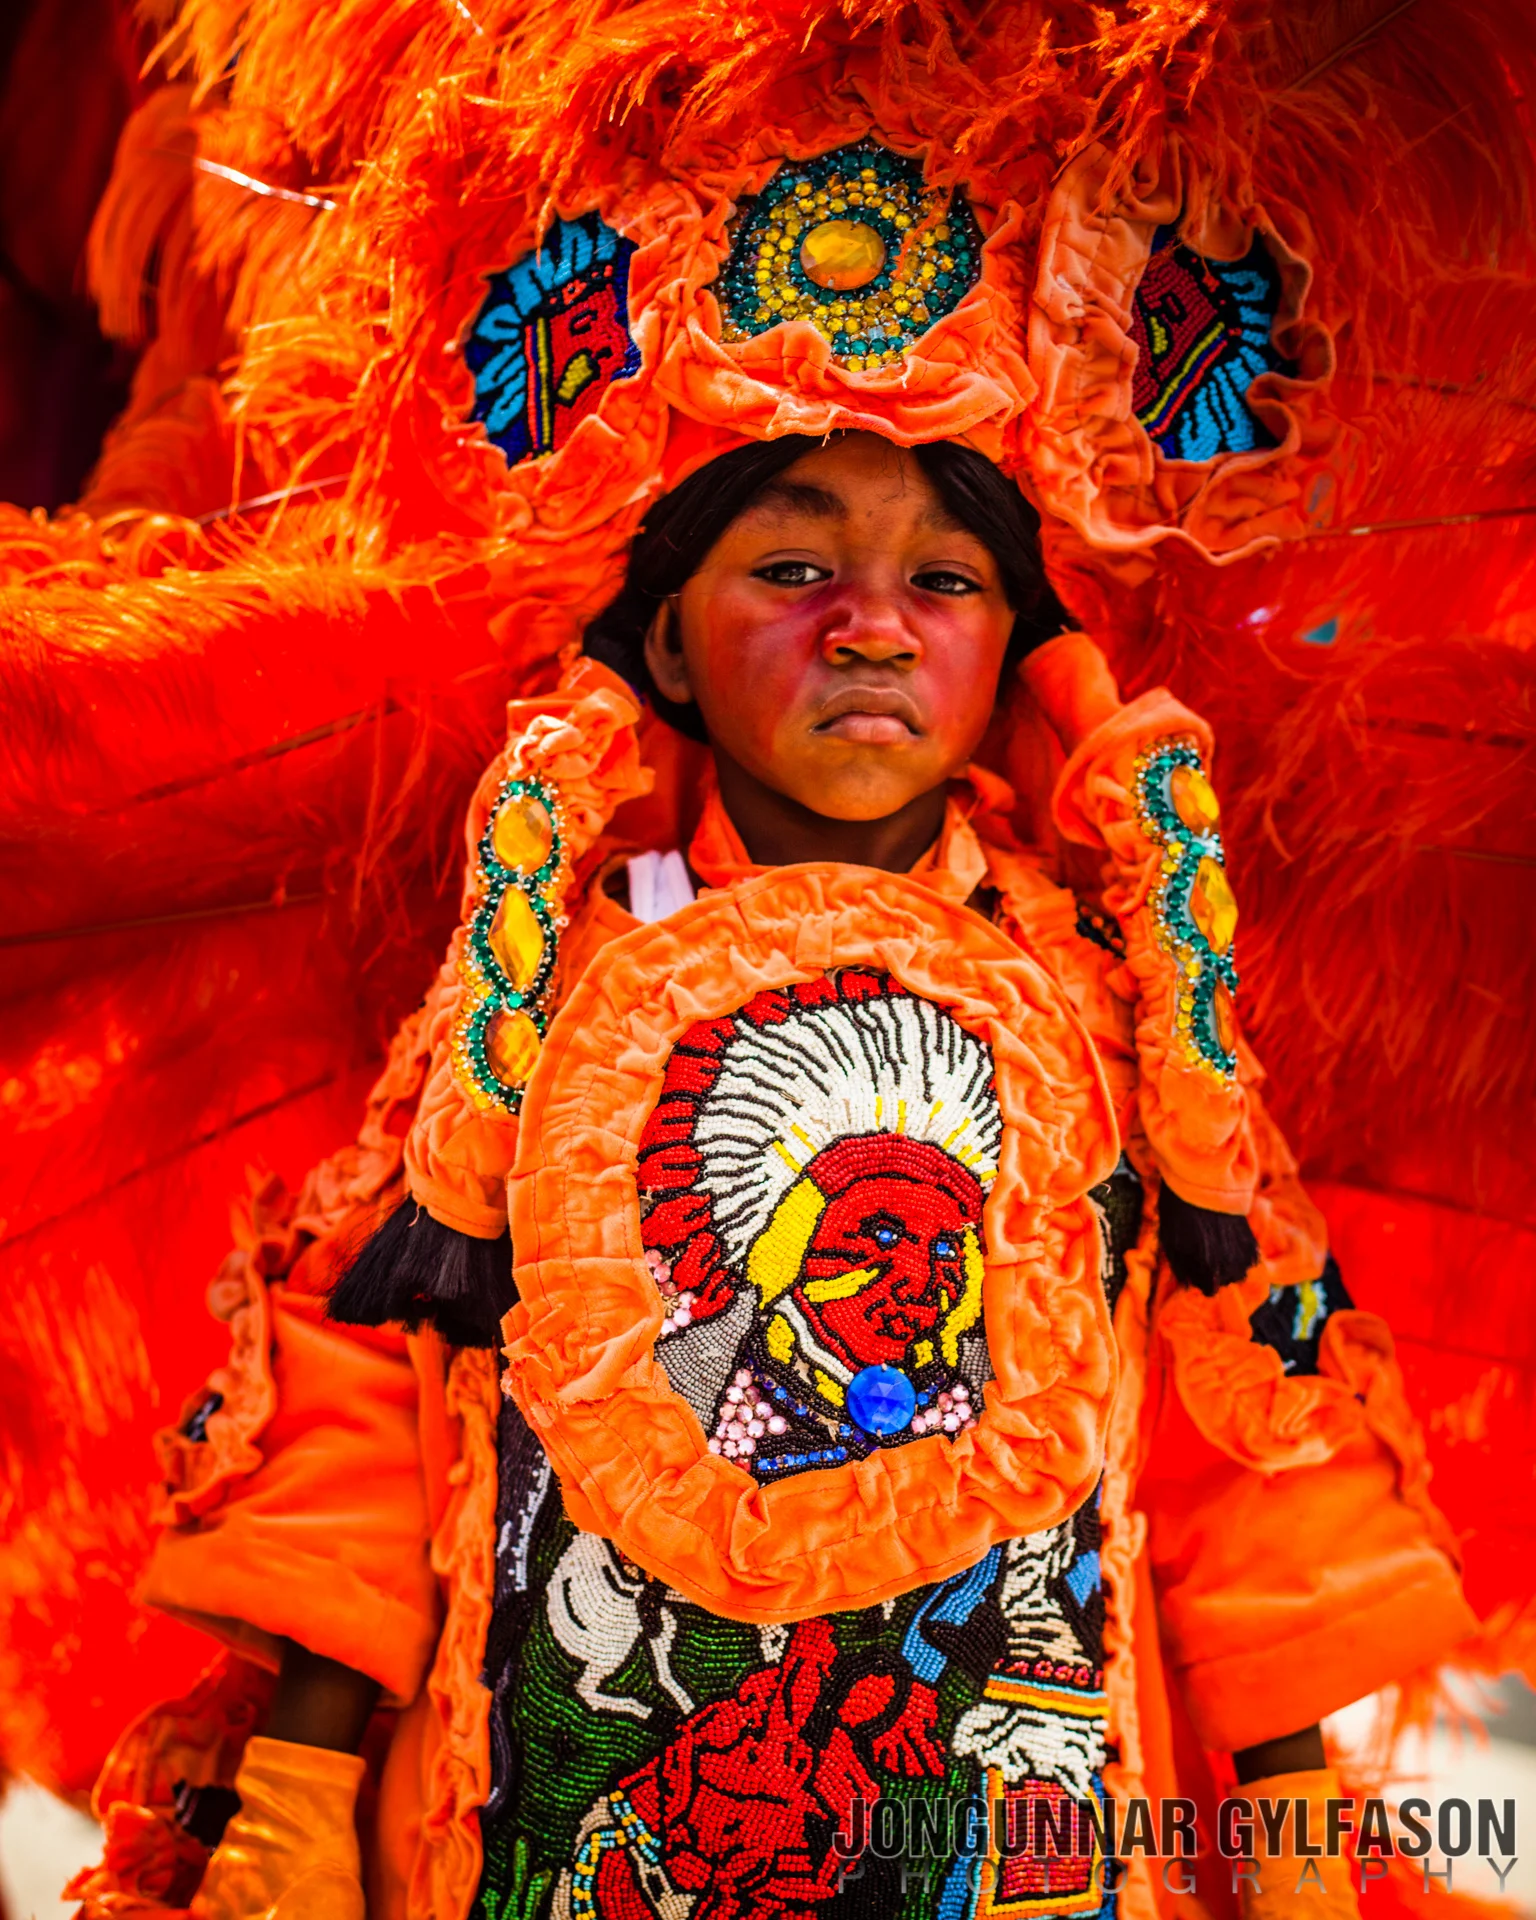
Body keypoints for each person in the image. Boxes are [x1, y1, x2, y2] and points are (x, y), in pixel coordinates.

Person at [69, 431, 1472, 1920]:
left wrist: (1295, 1831)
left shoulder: (1121, 1031)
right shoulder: (534, 1005)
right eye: (794, 570)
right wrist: (293, 1801)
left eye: (943, 580)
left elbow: (1235, 1445)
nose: (869, 626)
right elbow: (373, 1409)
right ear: (668, 642)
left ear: (1015, 653)